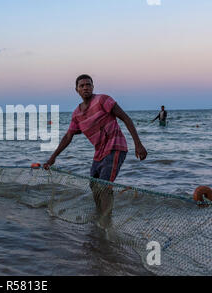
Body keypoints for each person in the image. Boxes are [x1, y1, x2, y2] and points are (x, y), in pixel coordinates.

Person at [44, 74, 147, 226]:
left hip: (115, 147)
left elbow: (125, 118)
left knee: (104, 185)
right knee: (94, 185)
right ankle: (101, 217)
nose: (85, 87)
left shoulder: (103, 100)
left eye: (88, 85)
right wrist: (53, 157)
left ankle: (106, 222)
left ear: (93, 87)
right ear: (76, 90)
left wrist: (138, 144)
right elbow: (68, 136)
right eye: (82, 86)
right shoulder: (77, 114)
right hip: (99, 153)